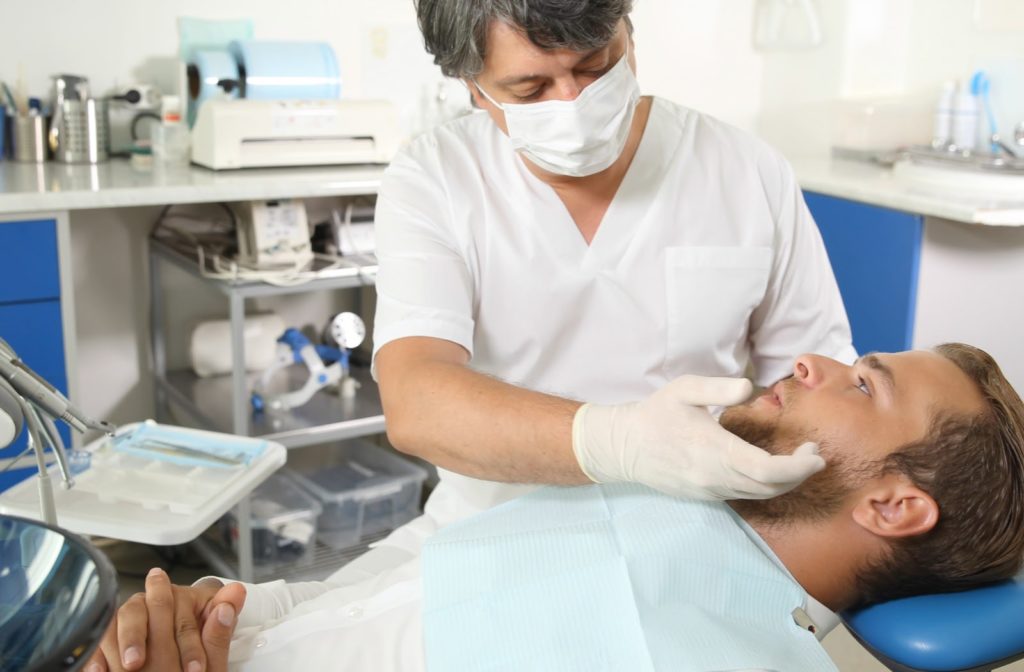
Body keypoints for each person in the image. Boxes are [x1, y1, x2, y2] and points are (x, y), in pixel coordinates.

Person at [88, 343, 1024, 672]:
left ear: (896, 506)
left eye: (863, 383)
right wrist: (225, 613)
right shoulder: (646, 499)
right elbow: (380, 601)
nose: (814, 360)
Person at [356, 0, 856, 596]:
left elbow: (820, 383)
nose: (573, 103)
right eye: (530, 87)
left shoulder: (744, 170)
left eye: (596, 67)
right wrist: (621, 443)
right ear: (473, 87)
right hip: (492, 535)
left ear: (630, 34)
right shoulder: (435, 179)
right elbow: (417, 401)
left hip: (702, 542)